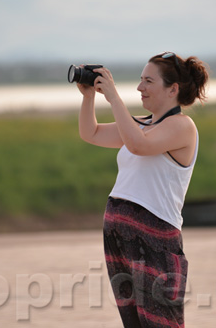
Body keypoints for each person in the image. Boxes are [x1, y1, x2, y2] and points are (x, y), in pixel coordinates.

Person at [77, 52, 208, 327]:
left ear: (173, 89)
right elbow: (91, 133)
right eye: (140, 80)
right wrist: (88, 96)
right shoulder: (140, 124)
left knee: (162, 322)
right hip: (119, 238)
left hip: (156, 240)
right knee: (134, 323)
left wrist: (113, 98)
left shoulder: (183, 127)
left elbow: (138, 145)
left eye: (148, 81)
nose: (140, 88)